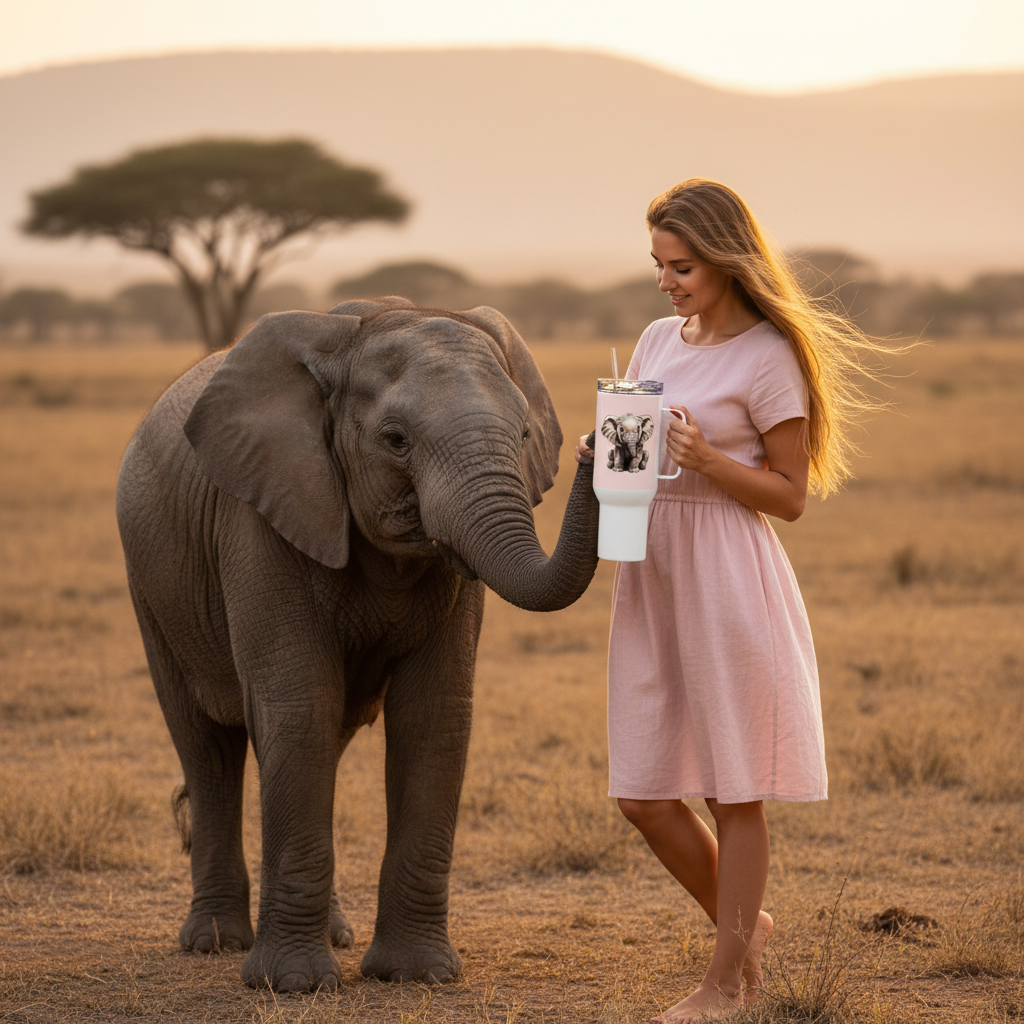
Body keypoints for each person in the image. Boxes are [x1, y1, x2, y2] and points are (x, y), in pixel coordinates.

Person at [576, 178, 884, 1022]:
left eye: (682, 266)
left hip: (727, 576)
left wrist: (708, 461)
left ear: (724, 260)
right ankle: (749, 934)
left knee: (731, 787)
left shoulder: (769, 357)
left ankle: (724, 986)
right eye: (658, 265)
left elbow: (788, 496)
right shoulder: (654, 338)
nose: (667, 281)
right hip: (651, 572)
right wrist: (605, 450)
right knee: (642, 792)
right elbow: (634, 470)